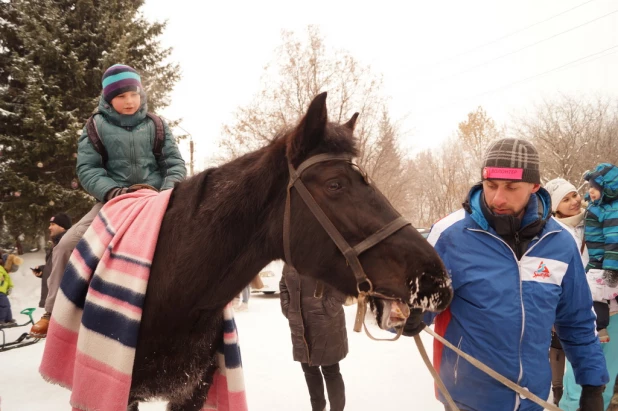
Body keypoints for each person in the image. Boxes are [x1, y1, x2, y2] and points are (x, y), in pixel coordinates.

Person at [408, 138, 608, 411]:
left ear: (534, 186)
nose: (498, 198)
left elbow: (577, 321)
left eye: (511, 187)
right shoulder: (451, 235)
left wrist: (593, 386)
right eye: (491, 186)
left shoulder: (560, 242)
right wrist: (406, 311)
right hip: (468, 399)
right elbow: (413, 308)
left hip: (533, 398)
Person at [30, 64, 186, 337]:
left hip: (157, 198)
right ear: (109, 98)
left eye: (133, 94)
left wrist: (167, 191)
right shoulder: (95, 126)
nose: (129, 101)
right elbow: (88, 170)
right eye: (121, 96)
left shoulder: (157, 125)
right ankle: (53, 312)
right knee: (66, 244)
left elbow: (174, 163)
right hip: (115, 199)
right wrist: (113, 192)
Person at [544, 177, 589, 405]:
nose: (574, 201)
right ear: (554, 206)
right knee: (558, 345)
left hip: (593, 296)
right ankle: (559, 390)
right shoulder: (552, 231)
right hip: (564, 297)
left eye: (574, 195)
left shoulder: (591, 222)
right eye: (565, 199)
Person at [280, 264, 347, 411]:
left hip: (327, 324)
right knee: (309, 370)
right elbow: (283, 284)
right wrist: (287, 308)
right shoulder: (291, 257)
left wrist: (328, 309)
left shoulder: (325, 250)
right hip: (300, 324)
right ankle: (318, 407)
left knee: (331, 371)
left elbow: (342, 282)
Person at [582, 163, 618, 343]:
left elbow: (614, 238)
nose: (591, 191)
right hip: (598, 257)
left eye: (596, 188)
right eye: (590, 187)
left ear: (608, 189)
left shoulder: (612, 209)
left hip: (605, 259)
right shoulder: (600, 205)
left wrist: (611, 268)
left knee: (597, 290)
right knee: (597, 289)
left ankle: (601, 326)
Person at [32, 213, 72, 308]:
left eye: (53, 224)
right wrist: (43, 270)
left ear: (63, 227)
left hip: (62, 301)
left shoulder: (67, 246)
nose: (49, 227)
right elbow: (57, 267)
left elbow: (69, 270)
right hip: (54, 301)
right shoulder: (55, 245)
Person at [0, 253, 23, 325]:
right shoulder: (0, 270)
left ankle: (8, 319)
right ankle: (1, 320)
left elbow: (8, 280)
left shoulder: (5, 271)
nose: (10, 272)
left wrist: (10, 287)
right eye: (10, 270)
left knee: (7, 305)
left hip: (3, 292)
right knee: (4, 305)